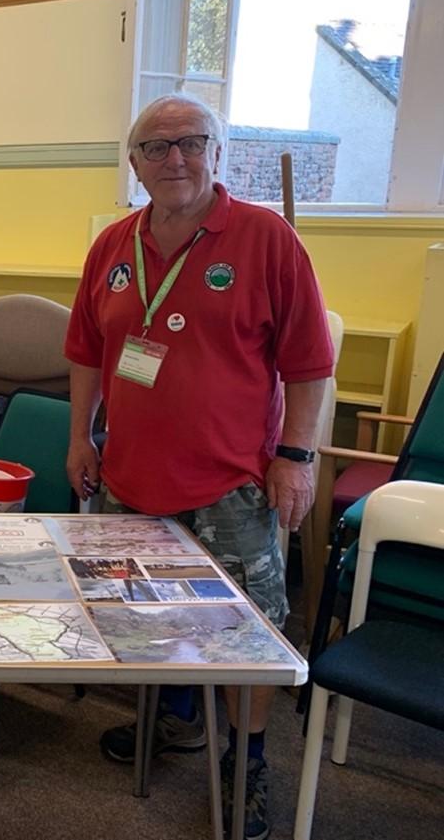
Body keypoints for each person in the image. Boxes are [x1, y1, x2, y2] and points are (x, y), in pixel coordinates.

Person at [64, 93, 333, 840]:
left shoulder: (265, 238)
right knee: (137, 619)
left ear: (218, 152)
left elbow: (309, 363)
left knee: (245, 636)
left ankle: (244, 761)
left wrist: (295, 457)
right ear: (134, 163)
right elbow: (87, 350)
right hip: (127, 481)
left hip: (230, 483)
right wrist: (79, 438)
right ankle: (176, 717)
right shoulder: (112, 245)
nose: (174, 158)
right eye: (156, 146)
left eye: (191, 142)